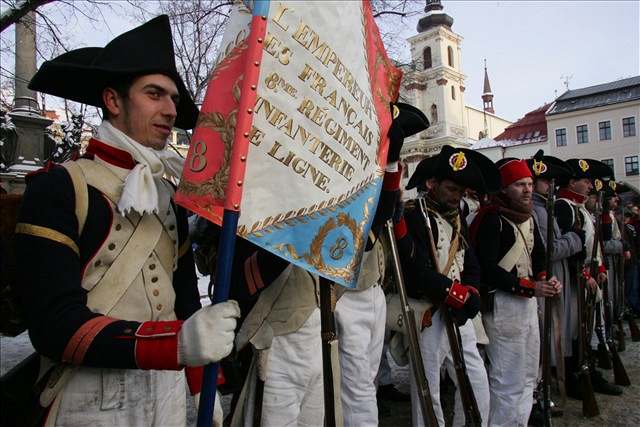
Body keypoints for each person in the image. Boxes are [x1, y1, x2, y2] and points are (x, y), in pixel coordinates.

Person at [16, 16, 240, 426]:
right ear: (114, 101)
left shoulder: (170, 196)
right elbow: (52, 325)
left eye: (173, 98)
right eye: (155, 94)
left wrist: (200, 381)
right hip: (91, 395)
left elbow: (186, 302)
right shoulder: (61, 187)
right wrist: (175, 346)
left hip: (168, 389)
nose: (171, 110)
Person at [333, 103, 428, 426]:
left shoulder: (379, 175)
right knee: (356, 388)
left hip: (371, 286)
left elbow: (386, 215)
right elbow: (378, 214)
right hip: (344, 291)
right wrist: (387, 165)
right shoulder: (341, 172)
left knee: (365, 383)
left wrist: (390, 164)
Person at [395, 145, 499, 426]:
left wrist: (472, 292)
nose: (458, 196)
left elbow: (470, 260)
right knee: (427, 388)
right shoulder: (414, 214)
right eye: (452, 189)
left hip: (459, 310)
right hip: (429, 311)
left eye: (461, 191)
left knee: (475, 380)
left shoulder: (455, 216)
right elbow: (414, 268)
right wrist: (452, 293)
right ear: (432, 184)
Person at [470, 158, 561, 427]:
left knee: (529, 375)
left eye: (530, 184)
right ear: (505, 189)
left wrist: (545, 279)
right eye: (519, 184)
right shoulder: (491, 219)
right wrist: (528, 286)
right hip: (503, 304)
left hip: (528, 303)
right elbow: (486, 268)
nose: (527, 190)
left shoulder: (528, 216)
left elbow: (539, 255)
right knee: (507, 378)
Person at [554, 159, 622, 398]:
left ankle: (589, 368)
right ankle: (575, 376)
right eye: (584, 181)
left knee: (589, 326)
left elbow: (595, 246)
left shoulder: (580, 208)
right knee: (575, 330)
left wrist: (600, 268)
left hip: (590, 277)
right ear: (572, 182)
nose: (589, 186)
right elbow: (568, 249)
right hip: (575, 280)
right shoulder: (563, 206)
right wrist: (583, 275)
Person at [526, 151, 583, 421]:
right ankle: (539, 395)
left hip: (555, 276)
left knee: (554, 337)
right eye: (545, 181)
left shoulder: (544, 208)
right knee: (543, 340)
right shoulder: (536, 211)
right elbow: (548, 250)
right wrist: (575, 239)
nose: (551, 186)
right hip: (544, 278)